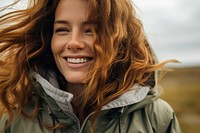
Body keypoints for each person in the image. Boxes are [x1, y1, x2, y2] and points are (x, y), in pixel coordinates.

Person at [0, 0, 181, 132]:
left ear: (119, 40)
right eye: (62, 30)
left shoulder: (157, 117)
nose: (74, 43)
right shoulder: (15, 121)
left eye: (90, 30)